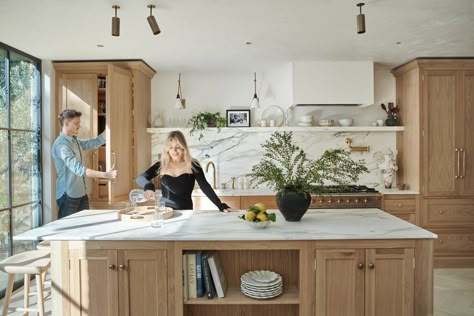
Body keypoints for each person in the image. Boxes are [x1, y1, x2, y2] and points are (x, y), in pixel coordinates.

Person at [135, 130, 234, 212]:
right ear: (167, 149)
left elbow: (205, 186)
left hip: (186, 212)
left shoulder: (193, 164)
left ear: (183, 147)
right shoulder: (161, 164)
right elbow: (140, 178)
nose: (174, 151)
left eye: (177, 147)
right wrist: (149, 186)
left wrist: (220, 205)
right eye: (171, 147)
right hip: (164, 212)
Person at [52, 109, 118, 219]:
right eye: (76, 123)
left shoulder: (74, 141)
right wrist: (106, 175)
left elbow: (94, 142)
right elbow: (79, 169)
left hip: (81, 193)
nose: (79, 125)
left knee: (85, 226)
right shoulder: (62, 145)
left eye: (79, 123)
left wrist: (109, 127)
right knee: (67, 231)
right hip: (68, 195)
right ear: (66, 123)